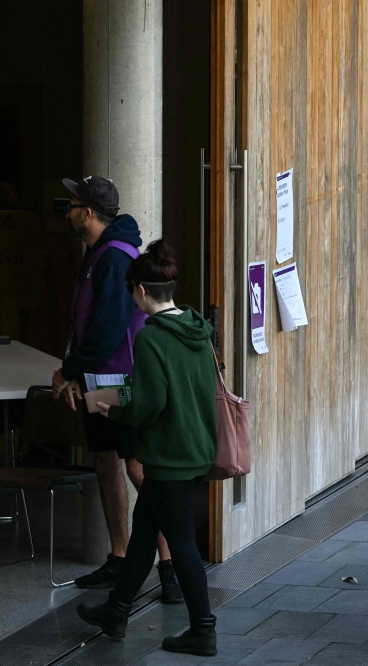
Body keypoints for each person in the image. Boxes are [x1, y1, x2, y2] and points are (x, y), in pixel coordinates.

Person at [76, 241, 218, 656]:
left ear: (140, 291)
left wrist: (110, 409)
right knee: (142, 537)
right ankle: (116, 613)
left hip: (168, 456)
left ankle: (204, 630)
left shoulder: (152, 338)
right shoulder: (195, 328)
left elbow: (148, 406)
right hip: (192, 448)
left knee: (184, 546)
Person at [53, 176, 182, 603]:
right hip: (104, 379)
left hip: (122, 382)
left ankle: (169, 567)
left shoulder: (112, 258)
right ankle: (120, 557)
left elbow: (106, 329)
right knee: (108, 463)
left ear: (87, 213)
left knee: (137, 468)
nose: (67, 211)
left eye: (71, 205)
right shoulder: (100, 253)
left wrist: (70, 369)